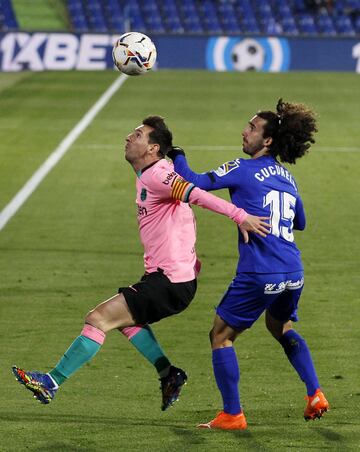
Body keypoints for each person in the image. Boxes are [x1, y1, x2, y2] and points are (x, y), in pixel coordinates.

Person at [12, 116, 270, 411]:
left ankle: (51, 382)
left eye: (137, 134)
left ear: (152, 148)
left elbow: (195, 195)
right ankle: (168, 374)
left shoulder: (159, 176)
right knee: (128, 323)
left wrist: (240, 215)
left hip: (170, 282)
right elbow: (182, 214)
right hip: (169, 279)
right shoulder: (153, 172)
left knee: (98, 319)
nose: (128, 137)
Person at [168, 99, 329, 429]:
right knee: (280, 326)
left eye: (252, 128)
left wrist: (177, 153)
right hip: (293, 272)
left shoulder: (241, 168)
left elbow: (192, 181)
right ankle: (315, 393)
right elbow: (300, 221)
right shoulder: (287, 176)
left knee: (220, 335)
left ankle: (232, 414)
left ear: (267, 141)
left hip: (261, 271)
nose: (245, 131)